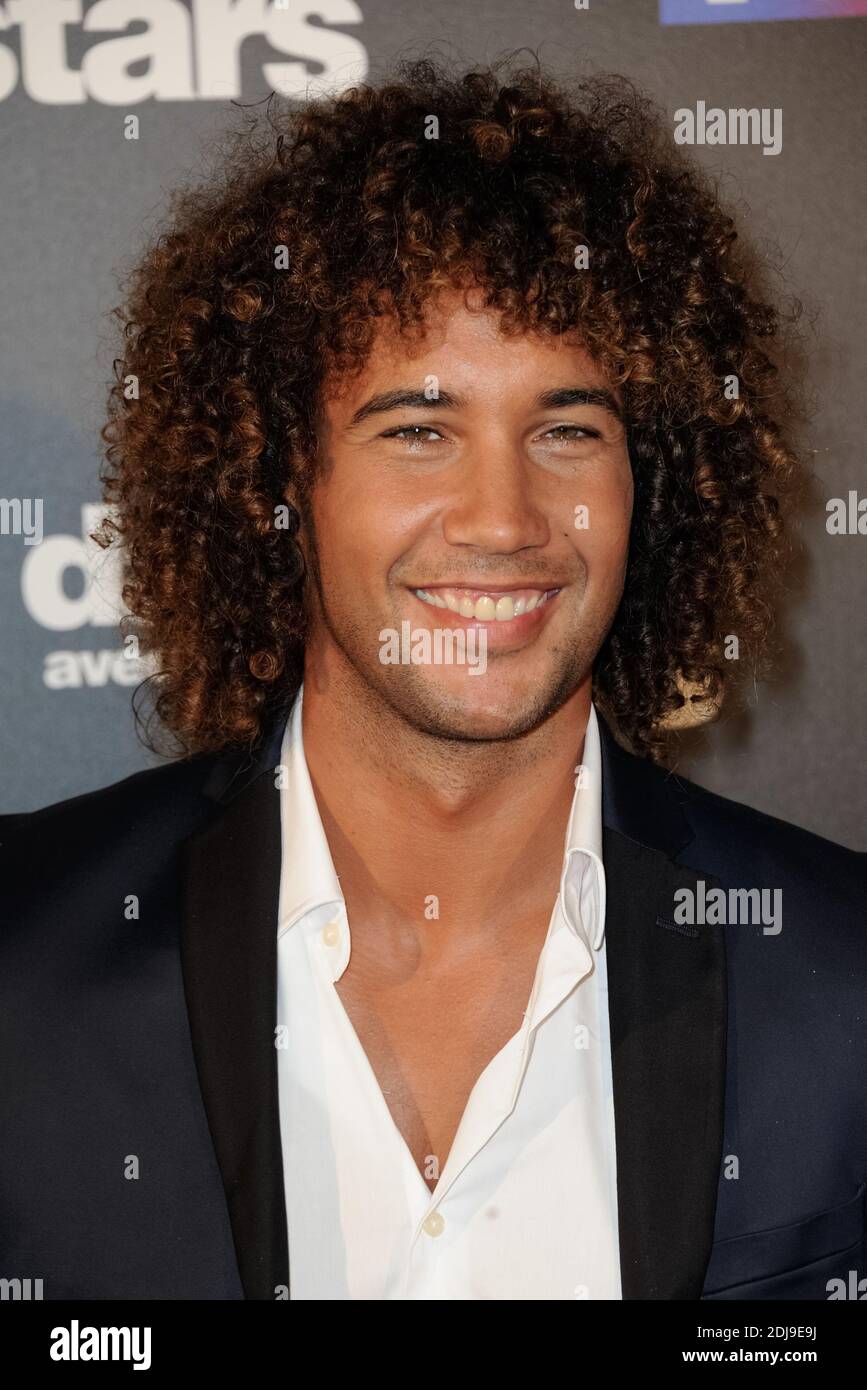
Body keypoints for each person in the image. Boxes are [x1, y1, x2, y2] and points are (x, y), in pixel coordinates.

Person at [1, 56, 864, 1302]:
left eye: (567, 429)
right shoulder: (23, 956)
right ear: (277, 480)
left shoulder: (841, 971)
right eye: (418, 429)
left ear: (653, 484)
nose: (504, 518)